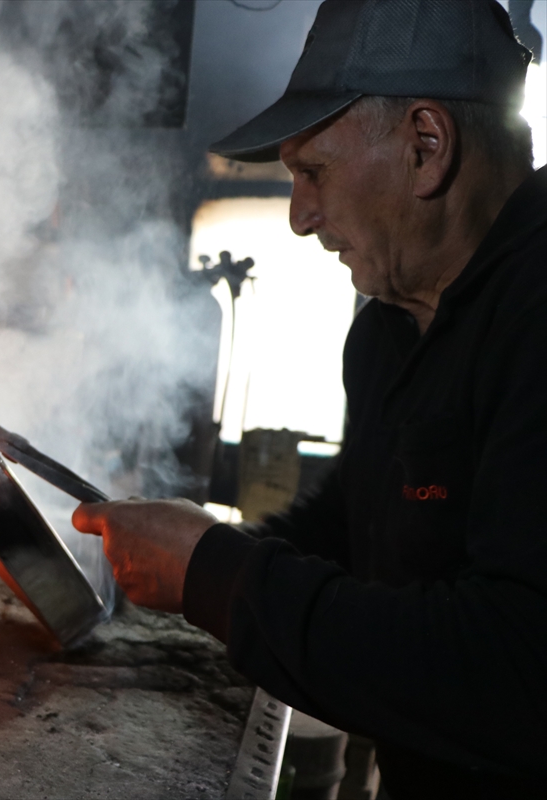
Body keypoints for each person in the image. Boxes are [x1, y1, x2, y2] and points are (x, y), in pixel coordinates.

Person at [72, 1, 545, 796]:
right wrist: (200, 550)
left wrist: (217, 574)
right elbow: (356, 528)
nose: (299, 218)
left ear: (426, 146)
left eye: (314, 172)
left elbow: (514, 668)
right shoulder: (389, 330)